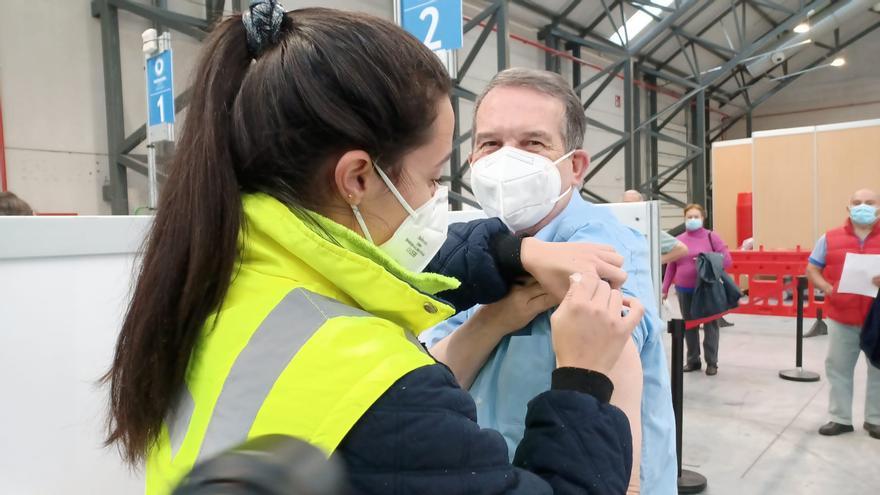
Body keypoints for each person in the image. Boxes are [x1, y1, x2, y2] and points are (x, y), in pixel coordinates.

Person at [104, 5, 643, 494]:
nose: (438, 198)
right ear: (357, 177)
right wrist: (582, 380)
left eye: (533, 143)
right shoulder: (383, 393)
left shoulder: (223, 262)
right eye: (433, 177)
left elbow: (394, 265)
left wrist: (514, 254)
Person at [422, 68, 677, 495]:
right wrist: (492, 320)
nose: (506, 158)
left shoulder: (604, 244)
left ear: (575, 166)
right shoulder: (478, 250)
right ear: (471, 160)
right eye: (490, 143)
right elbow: (440, 374)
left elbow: (614, 377)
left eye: (532, 143)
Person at [805, 188, 880, 439]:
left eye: (869, 202)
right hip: (841, 315)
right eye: (857, 202)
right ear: (848, 208)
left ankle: (875, 419)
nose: (863, 207)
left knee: (879, 368)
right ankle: (840, 418)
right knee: (838, 368)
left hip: (877, 318)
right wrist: (826, 287)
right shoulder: (829, 238)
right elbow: (812, 268)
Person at [661, 203, 732, 376]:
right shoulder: (679, 239)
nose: (692, 220)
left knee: (710, 325)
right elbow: (671, 266)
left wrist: (707, 260)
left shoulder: (711, 237)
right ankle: (693, 360)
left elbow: (727, 260)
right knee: (689, 326)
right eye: (689, 217)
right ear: (684, 219)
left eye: (696, 217)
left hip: (707, 290)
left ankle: (712, 362)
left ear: (703, 218)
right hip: (684, 290)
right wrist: (665, 288)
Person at [621, 189, 688, 265]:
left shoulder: (650, 231)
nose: (628, 208)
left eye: (633, 205)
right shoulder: (617, 228)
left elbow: (682, 249)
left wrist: (656, 261)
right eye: (625, 204)